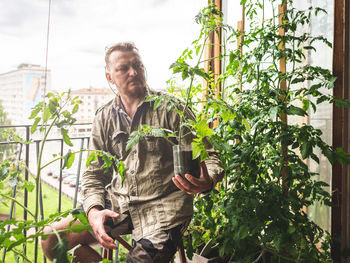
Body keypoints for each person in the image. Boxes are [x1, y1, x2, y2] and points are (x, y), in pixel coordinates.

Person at [41, 42, 224, 263]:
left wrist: (208, 179)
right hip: (118, 204)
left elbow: (210, 157)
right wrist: (94, 212)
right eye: (123, 68)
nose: (133, 72)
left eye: (138, 65)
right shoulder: (104, 117)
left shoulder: (173, 109)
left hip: (164, 211)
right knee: (51, 238)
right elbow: (94, 174)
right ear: (110, 77)